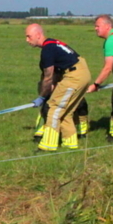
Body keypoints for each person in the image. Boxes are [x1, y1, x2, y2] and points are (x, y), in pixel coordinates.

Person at [25, 24, 91, 152]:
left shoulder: (47, 49)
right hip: (83, 72)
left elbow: (48, 77)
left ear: (38, 35)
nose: (27, 40)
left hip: (73, 76)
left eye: (29, 36)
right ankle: (70, 144)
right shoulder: (53, 43)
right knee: (66, 111)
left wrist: (42, 96)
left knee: (54, 108)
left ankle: (48, 146)